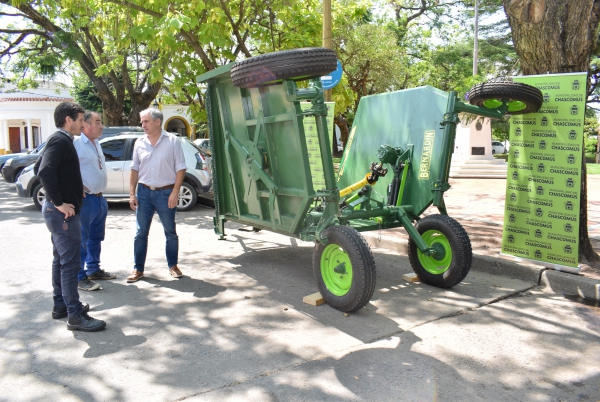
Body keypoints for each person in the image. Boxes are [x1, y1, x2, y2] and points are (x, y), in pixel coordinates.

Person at [36, 102, 106, 332]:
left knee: (61, 261)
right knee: (70, 265)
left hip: (59, 215)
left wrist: (70, 193)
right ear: (68, 119)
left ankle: (61, 307)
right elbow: (44, 171)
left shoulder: (58, 140)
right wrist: (59, 202)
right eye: (79, 119)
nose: (82, 123)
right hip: (62, 216)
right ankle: (75, 315)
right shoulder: (61, 139)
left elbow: (40, 165)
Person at [127, 108, 186, 283]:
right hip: (144, 193)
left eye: (145, 121)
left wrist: (175, 192)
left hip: (166, 193)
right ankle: (138, 269)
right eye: (142, 121)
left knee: (170, 232)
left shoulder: (173, 141)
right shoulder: (139, 142)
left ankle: (173, 266)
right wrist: (132, 193)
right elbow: (134, 169)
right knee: (140, 233)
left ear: (157, 122)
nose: (142, 124)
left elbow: (181, 168)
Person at [74, 111, 115, 291]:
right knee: (81, 239)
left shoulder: (96, 143)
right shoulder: (76, 143)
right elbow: (64, 167)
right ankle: (79, 276)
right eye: (98, 122)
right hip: (86, 200)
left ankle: (93, 269)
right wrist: (75, 187)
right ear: (85, 125)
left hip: (99, 199)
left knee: (95, 238)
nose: (102, 126)